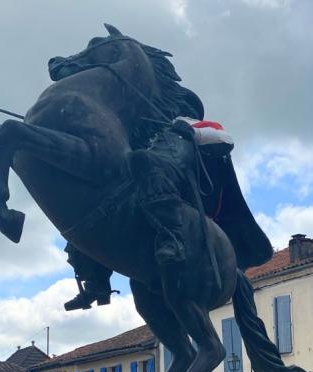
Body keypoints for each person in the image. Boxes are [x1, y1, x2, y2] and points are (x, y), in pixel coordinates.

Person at [62, 90, 249, 311]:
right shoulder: (152, 134)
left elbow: (225, 139)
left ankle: (172, 236)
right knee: (91, 218)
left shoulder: (198, 126)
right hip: (145, 192)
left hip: (175, 185)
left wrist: (191, 133)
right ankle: (96, 282)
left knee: (141, 158)